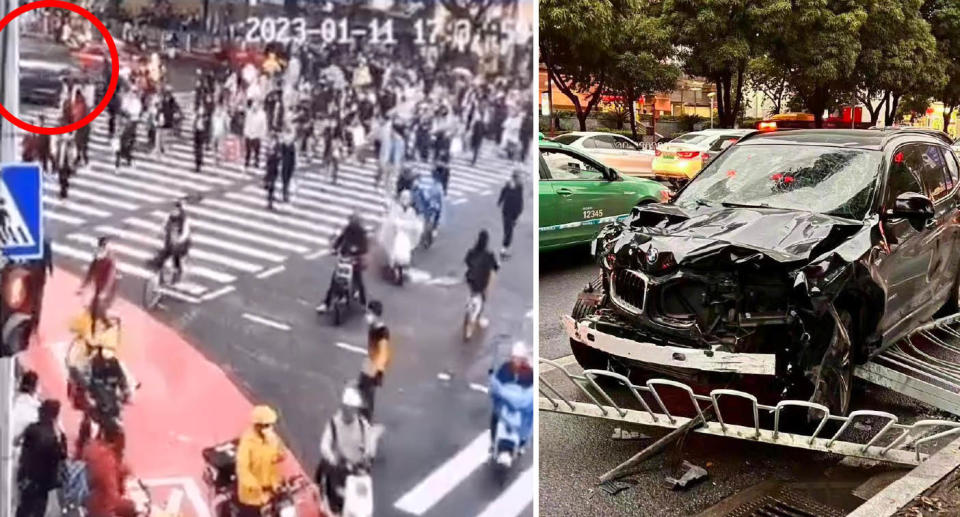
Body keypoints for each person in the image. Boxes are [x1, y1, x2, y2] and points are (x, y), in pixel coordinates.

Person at [316, 386, 372, 517]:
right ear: (343, 407)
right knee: (336, 499)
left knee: (361, 503)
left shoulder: (363, 425)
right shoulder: (334, 424)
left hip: (357, 470)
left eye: (353, 409)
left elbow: (370, 444)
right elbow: (325, 444)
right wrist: (331, 457)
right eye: (348, 408)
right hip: (339, 468)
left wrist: (367, 455)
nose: (350, 412)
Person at [16, 399, 67, 517]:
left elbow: (19, 445)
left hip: (28, 480)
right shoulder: (58, 435)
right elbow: (62, 457)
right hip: (45, 484)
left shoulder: (32, 429)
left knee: (23, 510)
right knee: (39, 511)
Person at [236, 405, 286, 516]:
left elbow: (281, 456)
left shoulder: (271, 438)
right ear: (258, 426)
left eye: (271, 425)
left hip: (271, 489)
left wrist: (276, 442)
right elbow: (242, 470)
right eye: (267, 425)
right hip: (253, 497)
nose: (270, 428)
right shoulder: (247, 443)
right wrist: (258, 487)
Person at [83, 421, 136, 517]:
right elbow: (112, 500)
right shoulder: (107, 462)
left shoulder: (93, 448)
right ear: (117, 441)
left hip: (90, 504)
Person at [488, 341, 534, 453]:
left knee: (529, 417)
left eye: (519, 358)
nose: (516, 360)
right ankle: (494, 442)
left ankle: (523, 441)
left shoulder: (528, 372)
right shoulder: (505, 368)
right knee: (495, 415)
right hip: (506, 401)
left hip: (521, 403)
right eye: (514, 358)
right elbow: (497, 383)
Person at [317, 214, 368, 312]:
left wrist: (358, 252)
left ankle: (363, 303)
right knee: (334, 280)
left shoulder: (361, 233)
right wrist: (334, 249)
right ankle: (326, 304)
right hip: (344, 258)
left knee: (359, 281)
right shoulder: (347, 230)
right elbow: (340, 240)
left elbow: (365, 247)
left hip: (355, 260)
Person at [78, 237, 118, 334]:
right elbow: (90, 273)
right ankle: (93, 333)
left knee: (100, 309)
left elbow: (110, 278)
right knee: (92, 311)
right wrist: (82, 287)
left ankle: (109, 326)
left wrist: (104, 292)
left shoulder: (110, 261)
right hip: (98, 287)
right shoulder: (97, 258)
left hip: (109, 290)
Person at [358, 301, 390, 421]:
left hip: (374, 365)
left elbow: (383, 352)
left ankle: (366, 419)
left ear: (375, 315)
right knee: (362, 388)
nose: (367, 316)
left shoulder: (382, 332)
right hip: (369, 361)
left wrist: (379, 372)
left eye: (369, 313)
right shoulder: (373, 327)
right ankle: (363, 415)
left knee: (368, 392)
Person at [464, 230, 499, 329]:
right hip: (482, 281)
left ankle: (469, 305)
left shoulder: (471, 252)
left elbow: (467, 262)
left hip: (470, 278)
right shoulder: (489, 255)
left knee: (472, 292)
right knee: (483, 297)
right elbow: (495, 268)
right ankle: (478, 317)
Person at [150, 201, 191, 280]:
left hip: (179, 245)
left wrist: (179, 241)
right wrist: (162, 234)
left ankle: (178, 273)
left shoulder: (184, 221)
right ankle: (161, 275)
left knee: (176, 259)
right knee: (162, 258)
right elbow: (163, 227)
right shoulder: (168, 218)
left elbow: (185, 233)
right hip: (169, 243)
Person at [497, 169, 524, 259]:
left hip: (512, 212)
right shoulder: (512, 185)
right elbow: (519, 200)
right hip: (509, 212)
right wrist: (500, 201)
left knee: (508, 231)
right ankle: (503, 251)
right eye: (518, 177)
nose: (519, 178)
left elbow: (520, 199)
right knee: (508, 232)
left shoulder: (518, 186)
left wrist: (500, 201)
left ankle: (504, 250)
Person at [244, 100, 267, 170]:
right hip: (249, 133)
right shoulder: (249, 113)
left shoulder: (262, 115)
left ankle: (256, 161)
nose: (254, 108)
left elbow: (264, 125)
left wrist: (262, 134)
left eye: (255, 107)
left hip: (257, 135)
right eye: (253, 107)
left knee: (257, 150)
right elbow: (246, 122)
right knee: (248, 149)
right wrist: (245, 132)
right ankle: (247, 161)